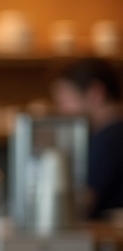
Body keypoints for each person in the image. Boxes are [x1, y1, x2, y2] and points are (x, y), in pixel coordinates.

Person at [51, 58, 123, 220]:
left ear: (94, 93)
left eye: (64, 102)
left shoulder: (109, 139)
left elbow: (84, 203)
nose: (61, 111)